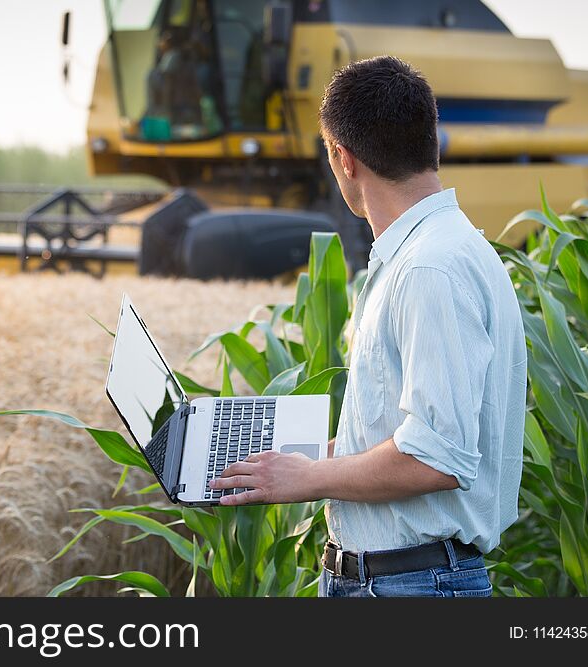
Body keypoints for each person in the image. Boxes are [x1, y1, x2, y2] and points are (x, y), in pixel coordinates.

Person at [209, 55, 527, 598]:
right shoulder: (428, 252)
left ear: (343, 158)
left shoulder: (430, 267)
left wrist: (308, 479)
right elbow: (403, 438)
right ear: (430, 140)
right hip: (404, 582)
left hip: (413, 587)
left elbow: (436, 455)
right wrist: (298, 461)